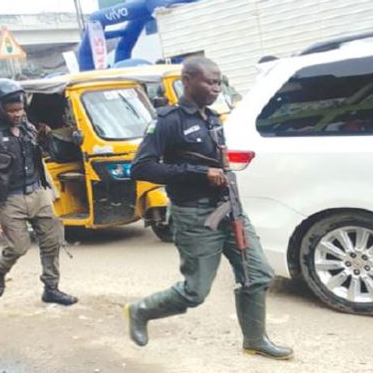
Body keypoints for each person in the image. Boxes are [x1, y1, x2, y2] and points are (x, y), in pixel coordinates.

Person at [126, 57, 294, 360]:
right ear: (187, 81)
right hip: (196, 217)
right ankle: (141, 310)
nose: (216, 88)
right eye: (209, 82)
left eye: (219, 82)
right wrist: (198, 173)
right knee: (195, 292)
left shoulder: (213, 118)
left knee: (258, 275)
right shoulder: (168, 121)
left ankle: (255, 340)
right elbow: (141, 168)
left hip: (229, 209)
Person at [0, 79, 77, 306]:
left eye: (20, 109)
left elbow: (45, 154)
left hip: (37, 192)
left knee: (52, 240)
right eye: (12, 111)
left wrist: (45, 138)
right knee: (18, 246)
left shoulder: (28, 127)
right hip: (9, 199)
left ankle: (51, 288)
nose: (18, 114)